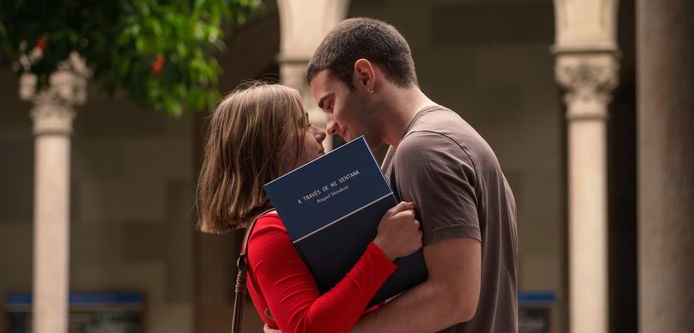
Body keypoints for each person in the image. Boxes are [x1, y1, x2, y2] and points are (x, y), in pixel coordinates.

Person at [305, 17, 519, 332]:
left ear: (365, 77)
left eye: (329, 104)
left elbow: (454, 298)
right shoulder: (442, 136)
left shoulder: (424, 149)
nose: (331, 125)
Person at [197, 83, 423, 333]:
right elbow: (307, 328)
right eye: (303, 125)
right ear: (271, 146)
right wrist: (384, 249)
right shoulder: (268, 231)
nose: (321, 133)